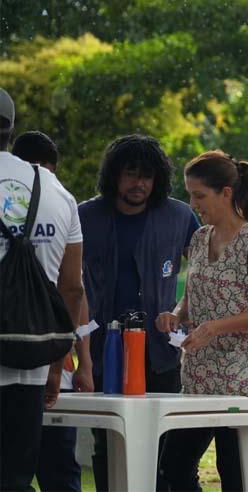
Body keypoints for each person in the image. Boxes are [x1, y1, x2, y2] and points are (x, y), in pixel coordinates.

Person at [155, 150, 248, 491]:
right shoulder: (199, 239)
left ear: (225, 193)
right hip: (199, 377)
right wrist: (177, 313)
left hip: (243, 379)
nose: (193, 203)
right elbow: (197, 291)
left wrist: (215, 327)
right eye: (190, 194)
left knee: (235, 476)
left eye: (199, 195)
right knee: (173, 467)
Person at [78, 134, 200, 491]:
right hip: (103, 349)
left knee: (163, 446)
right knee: (107, 442)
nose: (139, 183)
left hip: (160, 351)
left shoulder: (178, 215)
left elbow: (207, 271)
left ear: (157, 178)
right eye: (130, 174)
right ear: (114, 176)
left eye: (146, 175)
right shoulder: (85, 215)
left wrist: (183, 311)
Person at [0, 88, 85, 492]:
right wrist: (56, 366)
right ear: (10, 130)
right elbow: (72, 289)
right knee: (15, 477)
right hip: (32, 358)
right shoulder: (55, 190)